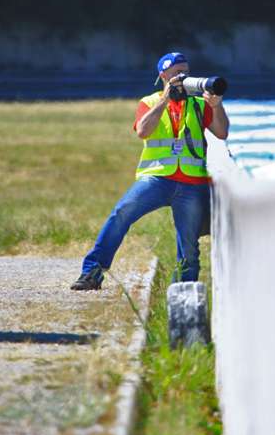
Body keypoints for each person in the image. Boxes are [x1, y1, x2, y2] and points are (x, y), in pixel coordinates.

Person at [70, 51, 230, 290]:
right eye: (177, 72)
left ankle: (184, 292)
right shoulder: (149, 102)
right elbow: (143, 131)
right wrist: (165, 100)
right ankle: (92, 272)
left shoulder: (199, 103)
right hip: (157, 178)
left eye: (186, 71)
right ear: (163, 75)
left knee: (188, 243)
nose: (183, 76)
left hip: (192, 183)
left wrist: (216, 107)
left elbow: (222, 132)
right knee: (121, 213)